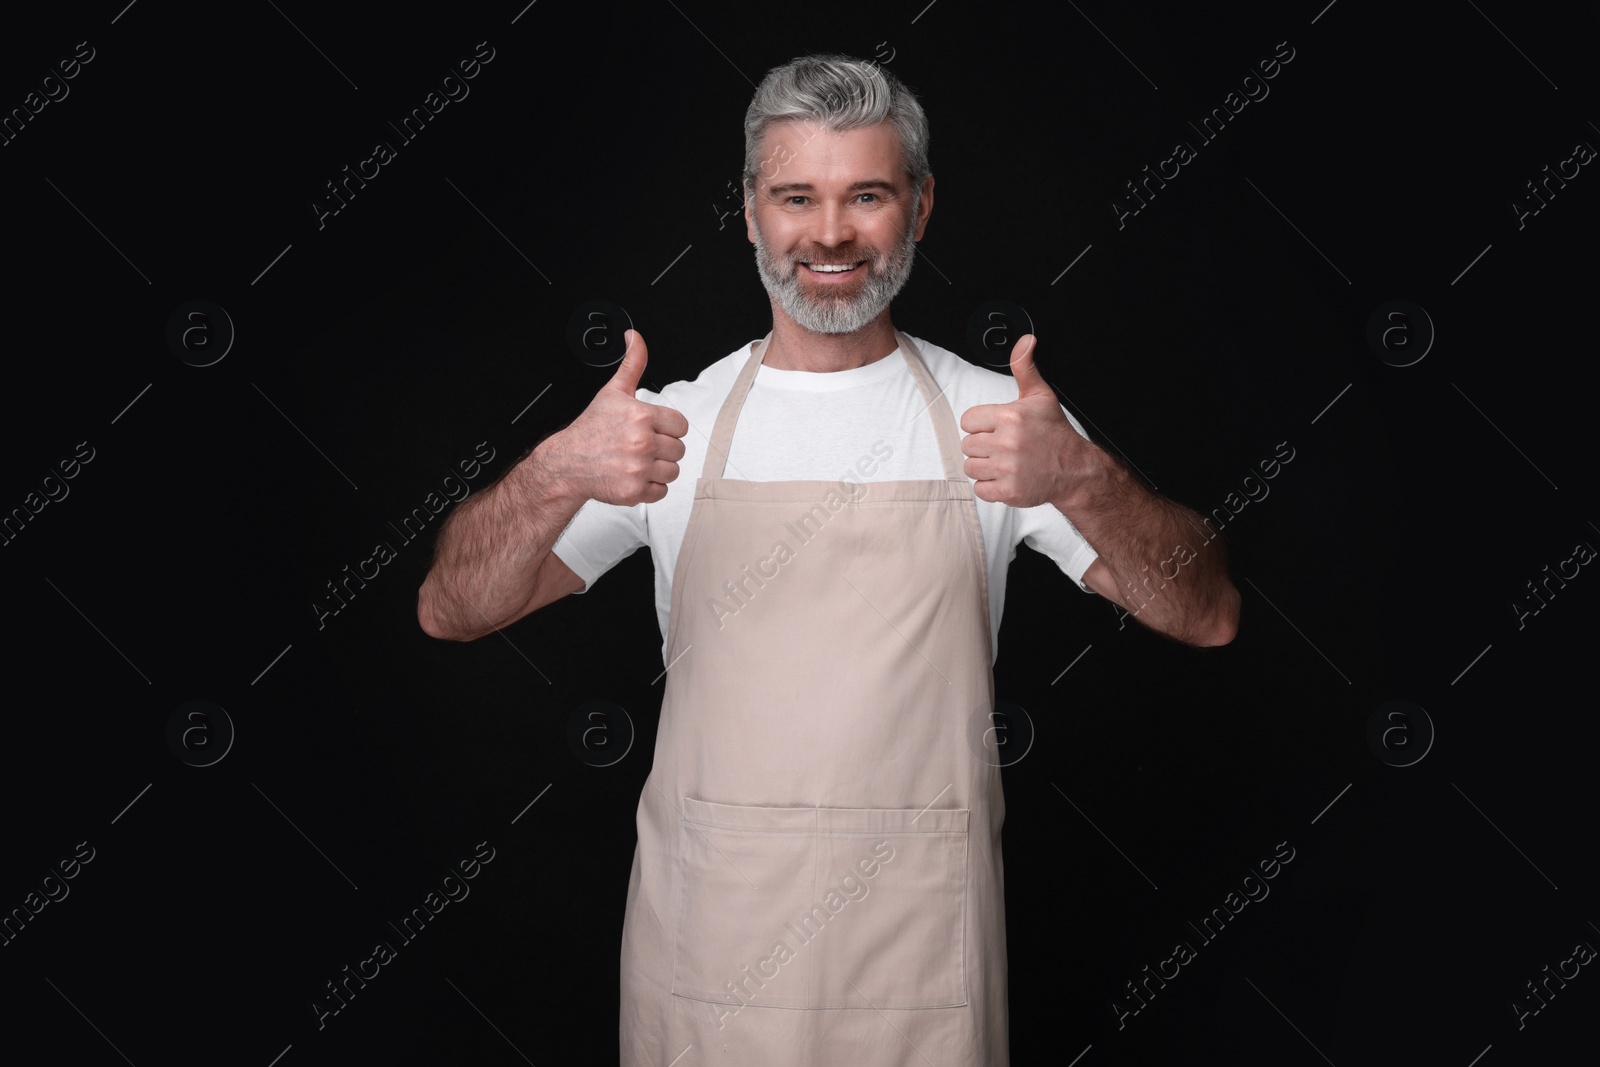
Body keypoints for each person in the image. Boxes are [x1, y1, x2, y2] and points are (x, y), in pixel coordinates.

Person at [418, 53, 1239, 1067]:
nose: (831, 233)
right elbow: (451, 607)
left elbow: (1206, 612)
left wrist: (1082, 479)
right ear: (751, 214)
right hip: (712, 955)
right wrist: (553, 470)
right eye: (796, 196)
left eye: (867, 195)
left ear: (922, 208)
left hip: (919, 959)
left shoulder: (1003, 423)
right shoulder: (670, 426)